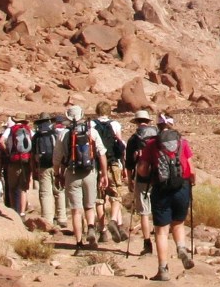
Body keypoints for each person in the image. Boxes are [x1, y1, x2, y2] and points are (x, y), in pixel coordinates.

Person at [141, 115, 195, 281]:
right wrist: (191, 183)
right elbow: (191, 170)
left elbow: (142, 170)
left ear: (158, 125)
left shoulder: (151, 144)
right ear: (172, 125)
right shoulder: (182, 143)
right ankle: (181, 247)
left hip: (161, 188)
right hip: (182, 187)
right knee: (178, 223)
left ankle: (163, 269)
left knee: (161, 231)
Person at [62, 105, 108, 248]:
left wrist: (58, 173)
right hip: (90, 172)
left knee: (76, 210)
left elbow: (59, 157)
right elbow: (101, 154)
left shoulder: (64, 134)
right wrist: (104, 174)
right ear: (82, 115)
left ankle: (79, 242)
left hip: (72, 173)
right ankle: (91, 228)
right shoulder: (91, 131)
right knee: (89, 206)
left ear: (68, 117)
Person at [122, 109, 159, 256]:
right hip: (158, 178)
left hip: (142, 178)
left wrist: (130, 181)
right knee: (158, 210)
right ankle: (161, 239)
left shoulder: (133, 139)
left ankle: (147, 243)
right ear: (148, 122)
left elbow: (129, 164)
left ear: (136, 122)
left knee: (144, 213)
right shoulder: (158, 135)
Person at [93, 104, 129, 242]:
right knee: (116, 195)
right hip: (113, 163)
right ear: (109, 112)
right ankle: (114, 221)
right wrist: (124, 166)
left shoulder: (91, 124)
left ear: (97, 111)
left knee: (100, 199)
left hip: (97, 165)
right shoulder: (115, 124)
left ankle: (103, 231)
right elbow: (120, 145)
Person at [33, 113, 66, 231]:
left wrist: (34, 169)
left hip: (43, 167)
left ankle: (48, 219)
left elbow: (33, 154)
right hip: (56, 165)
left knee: (45, 193)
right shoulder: (55, 133)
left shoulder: (37, 136)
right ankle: (62, 218)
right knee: (59, 191)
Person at [0, 116, 34, 215]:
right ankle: (22, 212)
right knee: (23, 188)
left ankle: (14, 210)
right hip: (26, 161)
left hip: (13, 161)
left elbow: (1, 141)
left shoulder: (11, 129)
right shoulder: (28, 130)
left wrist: (7, 152)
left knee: (12, 187)